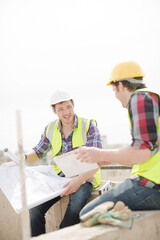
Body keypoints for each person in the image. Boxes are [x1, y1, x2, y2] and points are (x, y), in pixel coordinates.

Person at [76, 61, 160, 217]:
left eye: (114, 90)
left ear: (121, 85)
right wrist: (112, 158)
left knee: (88, 214)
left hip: (152, 185)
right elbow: (146, 154)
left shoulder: (139, 98)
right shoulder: (153, 98)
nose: (115, 95)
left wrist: (100, 154)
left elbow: (141, 153)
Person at [25, 89, 102, 236]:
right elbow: (38, 152)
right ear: (54, 111)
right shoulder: (50, 128)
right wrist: (23, 158)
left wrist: (78, 181)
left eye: (68, 107)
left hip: (85, 177)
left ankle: (60, 236)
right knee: (34, 210)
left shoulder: (88, 125)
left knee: (75, 206)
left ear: (73, 104)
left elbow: (98, 160)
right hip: (58, 177)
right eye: (61, 109)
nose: (66, 112)